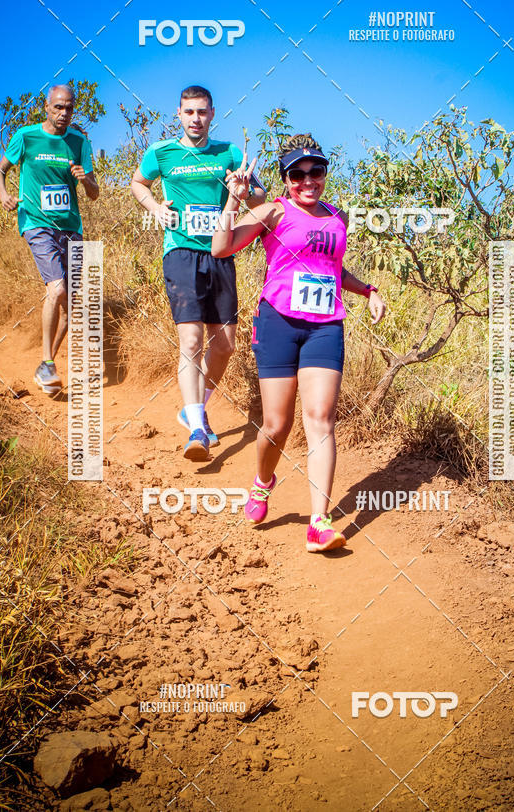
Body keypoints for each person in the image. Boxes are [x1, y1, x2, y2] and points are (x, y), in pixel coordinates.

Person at [212, 134, 386, 552]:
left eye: (316, 171)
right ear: (286, 178)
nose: (308, 181)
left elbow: (331, 270)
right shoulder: (273, 211)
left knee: (320, 418)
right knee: (277, 426)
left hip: (325, 327)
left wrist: (368, 290)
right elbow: (221, 248)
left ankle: (319, 523)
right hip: (277, 324)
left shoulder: (337, 217)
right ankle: (262, 484)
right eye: (298, 174)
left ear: (325, 172)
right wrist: (234, 199)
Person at [131, 85, 266, 461]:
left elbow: (259, 196)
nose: (196, 119)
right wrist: (155, 208)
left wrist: (243, 189)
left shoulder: (229, 153)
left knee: (224, 345)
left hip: (220, 253)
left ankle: (197, 407)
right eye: (189, 112)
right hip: (181, 252)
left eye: (202, 112)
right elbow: (138, 183)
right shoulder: (162, 152)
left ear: (212, 113)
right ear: (178, 113)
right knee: (190, 342)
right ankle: (195, 429)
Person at [0, 85, 99, 395]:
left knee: (73, 308)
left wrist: (86, 180)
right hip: (36, 223)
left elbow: (94, 194)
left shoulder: (79, 142)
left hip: (71, 228)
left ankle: (46, 364)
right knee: (57, 288)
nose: (63, 113)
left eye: (69, 107)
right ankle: (48, 362)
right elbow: (0, 169)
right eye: (58, 107)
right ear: (46, 106)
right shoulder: (26, 137)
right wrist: (3, 195)